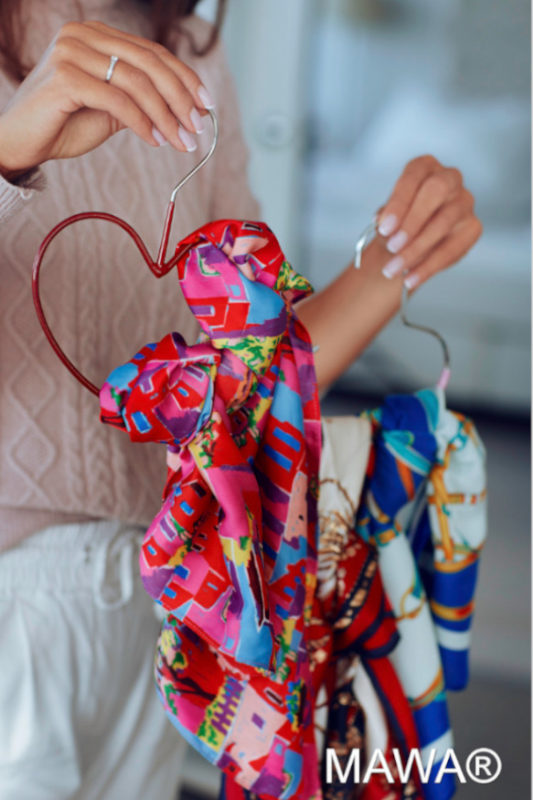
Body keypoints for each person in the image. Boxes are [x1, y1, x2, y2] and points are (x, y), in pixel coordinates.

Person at [0, 1, 482, 798]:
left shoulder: (188, 46)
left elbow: (255, 383)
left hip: (177, 600)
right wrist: (9, 150)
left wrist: (396, 258)